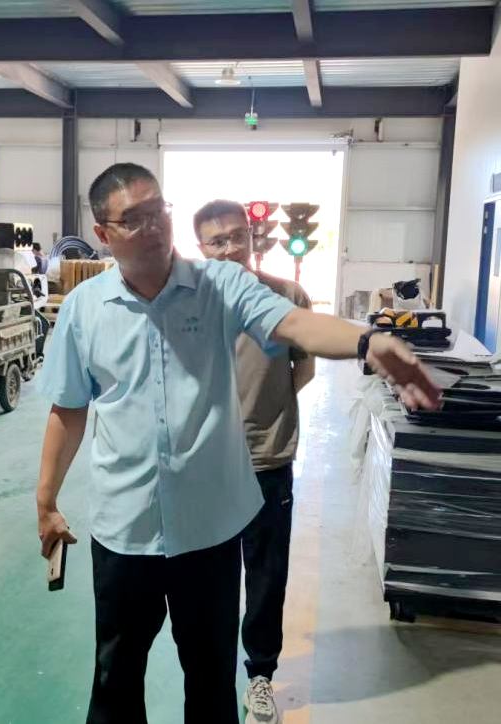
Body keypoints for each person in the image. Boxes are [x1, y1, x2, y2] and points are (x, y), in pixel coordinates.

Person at [35, 163, 440, 724]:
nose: (153, 227)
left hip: (209, 532)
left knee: (210, 681)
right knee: (116, 681)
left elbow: (294, 324)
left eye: (159, 212)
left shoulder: (219, 286)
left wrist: (368, 342)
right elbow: (69, 408)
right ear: (103, 233)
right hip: (124, 531)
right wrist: (46, 499)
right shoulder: (84, 308)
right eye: (134, 219)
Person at [193, 199, 311, 724]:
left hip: (268, 458)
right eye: (216, 241)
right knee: (210, 578)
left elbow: (302, 369)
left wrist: (268, 410)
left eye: (237, 236)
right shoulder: (190, 303)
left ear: (252, 236)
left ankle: (260, 675)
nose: (229, 248)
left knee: (265, 575)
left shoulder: (286, 296)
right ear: (201, 248)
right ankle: (213, 673)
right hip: (207, 464)